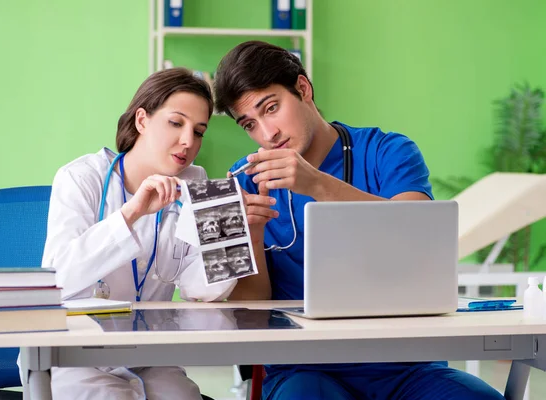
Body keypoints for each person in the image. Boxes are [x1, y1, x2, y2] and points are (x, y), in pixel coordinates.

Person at [214, 41, 505, 400]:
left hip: (407, 366)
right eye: (249, 124)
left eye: (271, 108)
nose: (267, 134)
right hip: (303, 370)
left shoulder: (389, 151)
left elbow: (421, 236)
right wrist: (253, 235)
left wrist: (318, 185)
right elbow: (245, 315)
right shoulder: (242, 185)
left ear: (303, 89)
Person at [39, 68, 236, 400]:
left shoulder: (196, 183)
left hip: (151, 358)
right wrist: (130, 214)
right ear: (142, 120)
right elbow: (58, 281)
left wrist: (231, 229)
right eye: (176, 123)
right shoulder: (81, 178)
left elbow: (202, 291)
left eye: (199, 131)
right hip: (76, 358)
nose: (189, 141)